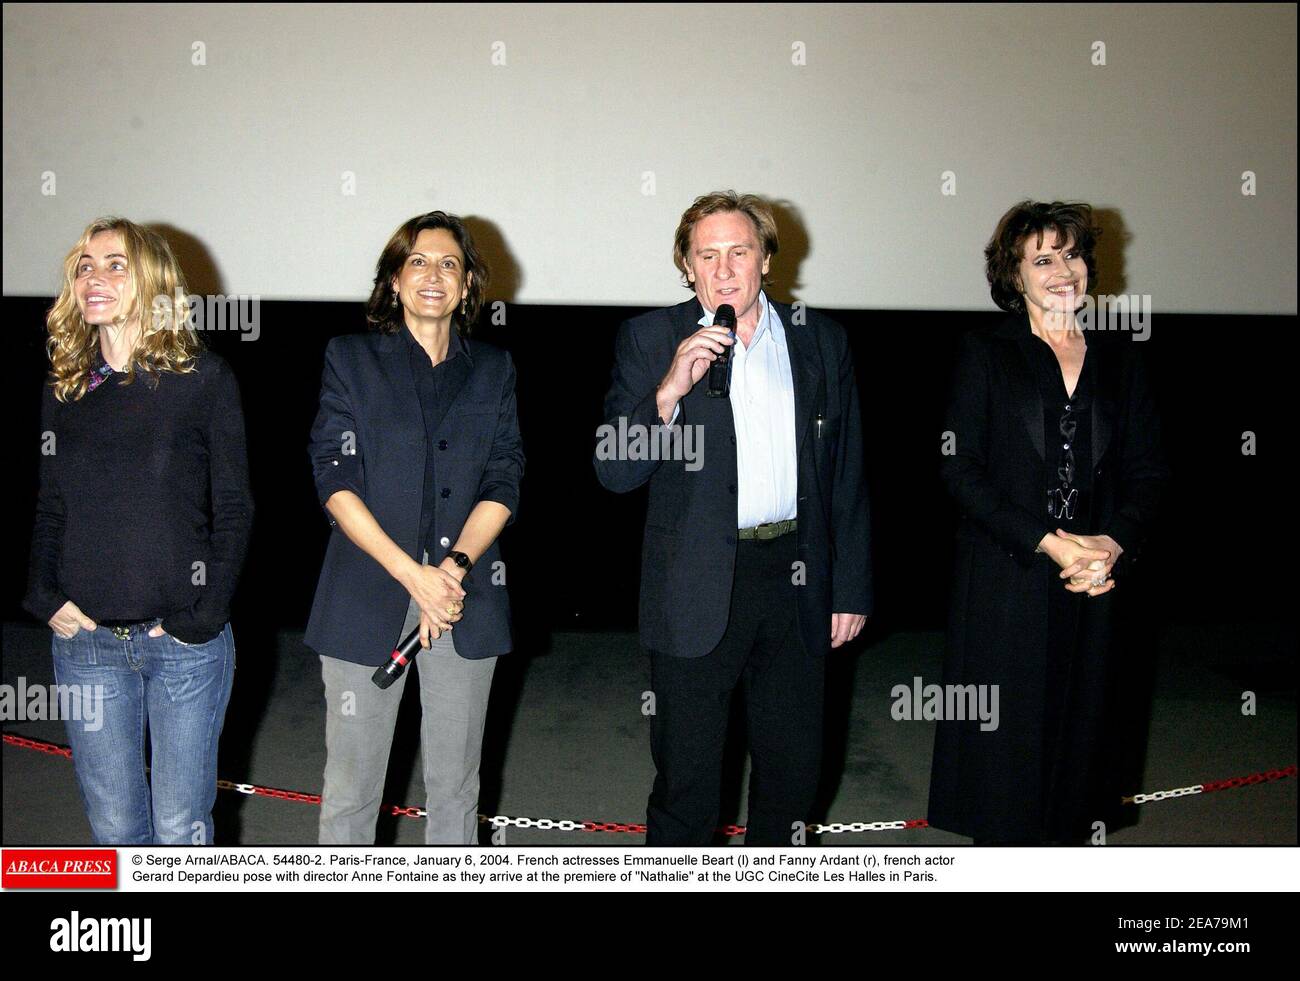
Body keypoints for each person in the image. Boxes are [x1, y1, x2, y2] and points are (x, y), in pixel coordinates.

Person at [594, 191, 872, 845]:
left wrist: (850, 586)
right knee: (688, 781)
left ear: (767, 258)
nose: (723, 269)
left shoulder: (821, 341)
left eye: (739, 251)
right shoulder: (651, 336)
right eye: (706, 255)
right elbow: (614, 468)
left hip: (797, 579)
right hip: (694, 582)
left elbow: (846, 475)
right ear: (687, 268)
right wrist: (667, 392)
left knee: (794, 777)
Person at [926, 201, 1170, 844]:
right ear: (1015, 275)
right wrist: (1047, 543)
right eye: (1043, 259)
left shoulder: (1123, 357)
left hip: (1096, 582)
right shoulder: (984, 353)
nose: (1063, 270)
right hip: (1008, 580)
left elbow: (1150, 471)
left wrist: (1111, 545)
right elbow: (958, 468)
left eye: (1072, 254)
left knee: (1081, 763)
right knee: (1006, 769)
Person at [24, 216, 254, 845]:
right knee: (114, 829)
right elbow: (51, 509)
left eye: (115, 263)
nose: (94, 276)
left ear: (152, 280)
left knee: (181, 828)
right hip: (86, 648)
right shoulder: (64, 389)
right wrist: (42, 595)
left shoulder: (204, 381)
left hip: (183, 649)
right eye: (83, 266)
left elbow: (235, 509)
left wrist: (202, 617)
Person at [306, 211, 523, 845]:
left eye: (449, 264)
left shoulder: (494, 370)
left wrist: (450, 573)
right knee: (351, 792)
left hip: (463, 601)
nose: (434, 275)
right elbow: (334, 480)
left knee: (455, 790)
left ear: (467, 284)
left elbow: (503, 480)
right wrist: (412, 578)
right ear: (395, 280)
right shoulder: (350, 359)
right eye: (418, 262)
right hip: (365, 595)